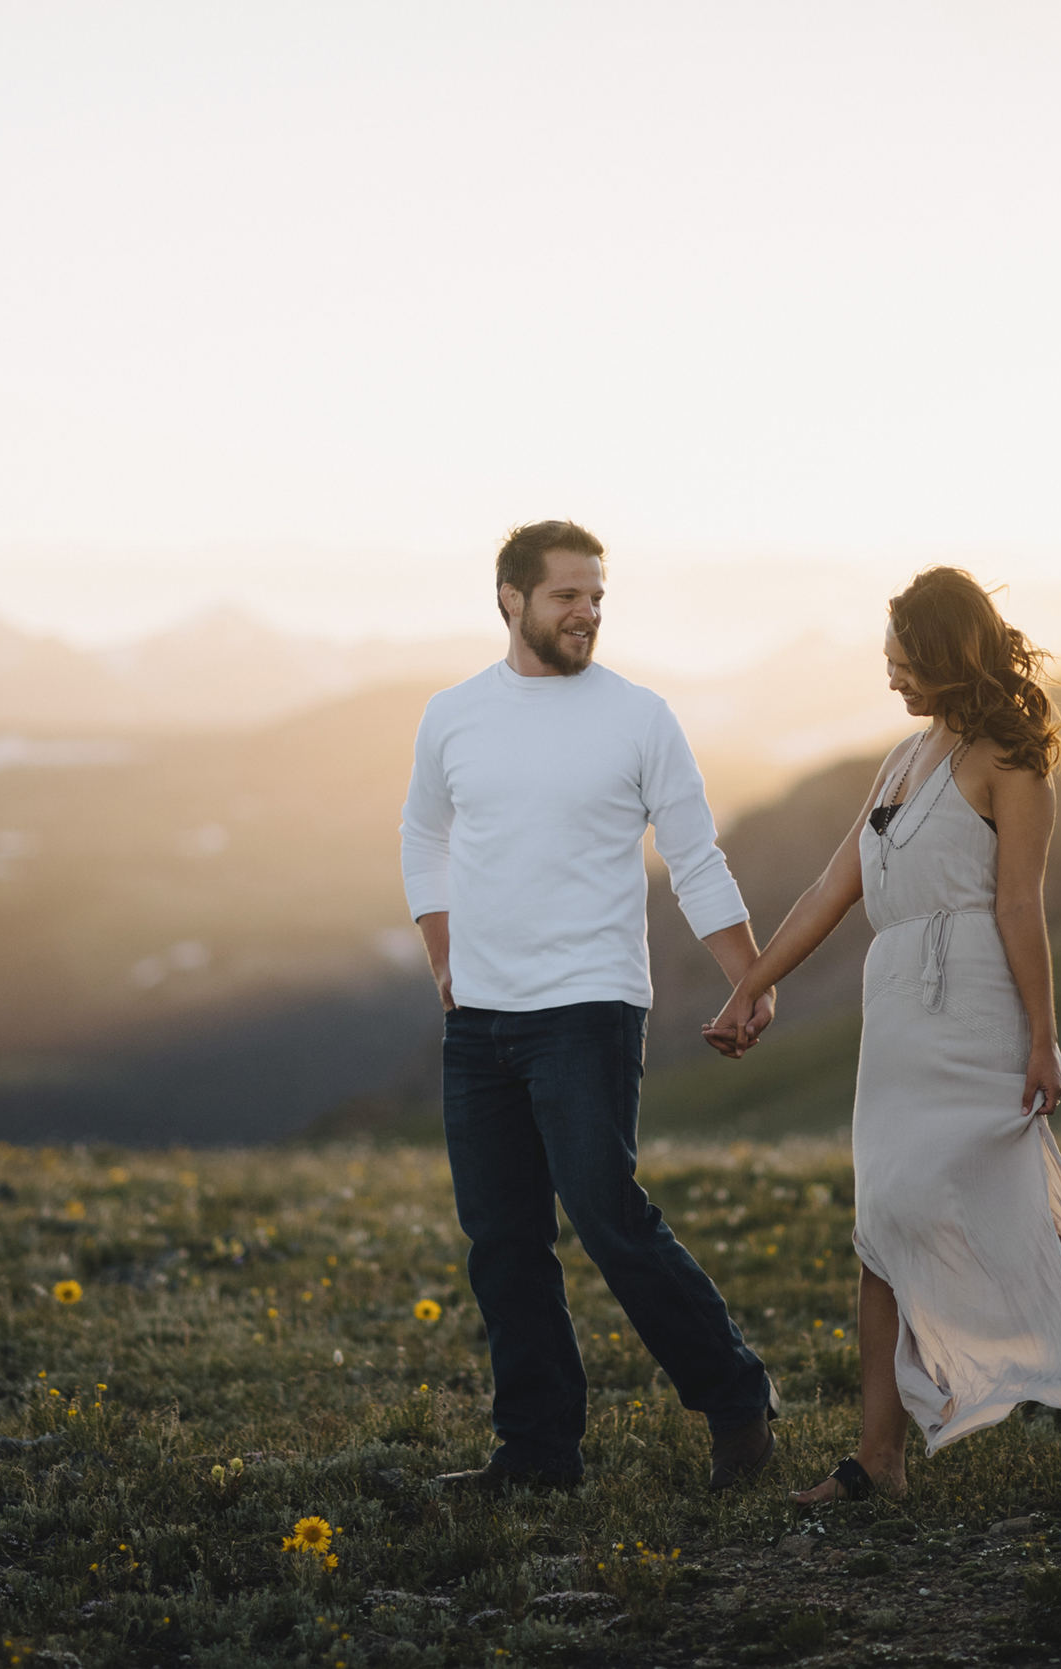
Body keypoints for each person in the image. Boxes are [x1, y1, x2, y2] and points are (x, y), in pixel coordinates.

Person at [703, 567, 1061, 1501]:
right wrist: (753, 983)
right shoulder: (902, 758)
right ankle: (879, 1458)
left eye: (907, 664)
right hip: (899, 1009)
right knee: (883, 1219)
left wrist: (1043, 1036)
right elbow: (835, 885)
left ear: (950, 656)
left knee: (1009, 1210)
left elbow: (1020, 903)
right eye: (889, 663)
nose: (895, 681)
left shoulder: (1010, 757)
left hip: (977, 1002)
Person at [399, 519, 783, 1495]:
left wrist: (750, 975)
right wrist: (443, 956)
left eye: (598, 597)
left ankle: (735, 1400)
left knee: (607, 1215)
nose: (588, 613)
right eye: (569, 595)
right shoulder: (452, 715)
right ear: (510, 599)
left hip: (589, 1008)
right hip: (479, 1022)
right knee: (502, 1240)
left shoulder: (639, 716)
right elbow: (422, 836)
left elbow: (696, 857)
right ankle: (536, 1453)